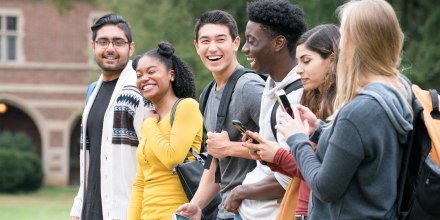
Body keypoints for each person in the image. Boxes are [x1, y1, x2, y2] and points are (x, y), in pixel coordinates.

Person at [254, 0, 413, 219]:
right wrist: (319, 129)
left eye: (344, 34)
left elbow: (325, 188)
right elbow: (361, 151)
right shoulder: (398, 90)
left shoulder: (358, 110)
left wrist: (297, 139)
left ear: (354, 44)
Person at [243, 24, 340, 220]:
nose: (299, 70)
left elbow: (322, 175)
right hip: (304, 209)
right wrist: (269, 156)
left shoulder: (343, 108)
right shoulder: (314, 100)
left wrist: (278, 156)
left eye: (306, 61)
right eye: (298, 62)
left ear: (331, 60)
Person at [176, 10, 265, 220]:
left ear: (235, 43)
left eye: (220, 39)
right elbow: (214, 162)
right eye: (205, 41)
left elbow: (286, 148)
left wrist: (230, 148)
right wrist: (197, 205)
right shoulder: (208, 93)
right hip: (226, 212)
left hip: (256, 211)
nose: (212, 48)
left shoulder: (249, 87)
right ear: (196, 46)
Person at [223, 1, 307, 219]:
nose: (245, 49)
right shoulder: (271, 83)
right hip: (250, 211)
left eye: (251, 41)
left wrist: (240, 192)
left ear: (278, 43)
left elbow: (293, 175)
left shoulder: (298, 96)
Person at [70, 13, 150, 220]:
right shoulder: (92, 91)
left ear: (131, 47)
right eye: (103, 42)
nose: (110, 49)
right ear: (93, 46)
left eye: (118, 42)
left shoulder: (141, 89)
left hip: (126, 211)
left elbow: (152, 158)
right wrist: (77, 210)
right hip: (91, 211)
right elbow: (89, 157)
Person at [127, 41, 202, 219]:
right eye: (139, 75)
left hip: (177, 214)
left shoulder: (186, 107)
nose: (144, 78)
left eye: (151, 72)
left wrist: (150, 124)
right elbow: (140, 182)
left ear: (171, 75)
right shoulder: (149, 119)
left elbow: (172, 158)